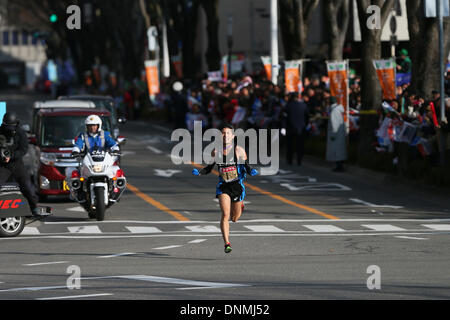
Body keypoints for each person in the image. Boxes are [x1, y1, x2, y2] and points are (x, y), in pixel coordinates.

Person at [192, 124, 258, 254]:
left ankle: (241, 206)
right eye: (223, 133)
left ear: (232, 136)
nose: (225, 135)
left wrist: (251, 171)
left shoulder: (238, 150)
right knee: (225, 214)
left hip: (237, 186)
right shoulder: (215, 152)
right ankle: (227, 243)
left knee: (234, 218)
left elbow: (245, 165)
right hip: (223, 186)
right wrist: (200, 172)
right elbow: (210, 168)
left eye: (228, 133)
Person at [0, 113, 40, 216]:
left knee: (27, 186)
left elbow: (23, 149)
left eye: (11, 127)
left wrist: (11, 156)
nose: (9, 130)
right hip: (3, 165)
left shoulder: (20, 133)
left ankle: (34, 207)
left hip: (17, 164)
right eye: (7, 127)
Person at [284, 92, 310, 166]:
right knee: (300, 145)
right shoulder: (303, 105)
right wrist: (305, 125)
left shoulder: (288, 105)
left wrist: (284, 127)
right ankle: (299, 160)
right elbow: (307, 116)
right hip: (301, 128)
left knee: (290, 145)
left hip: (290, 127)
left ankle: (290, 159)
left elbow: (284, 117)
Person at [326, 97, 348, 172]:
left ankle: (339, 166)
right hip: (340, 133)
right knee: (339, 150)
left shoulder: (334, 111)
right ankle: (339, 165)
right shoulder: (338, 109)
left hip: (336, 134)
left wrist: (333, 134)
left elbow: (334, 124)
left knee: (336, 151)